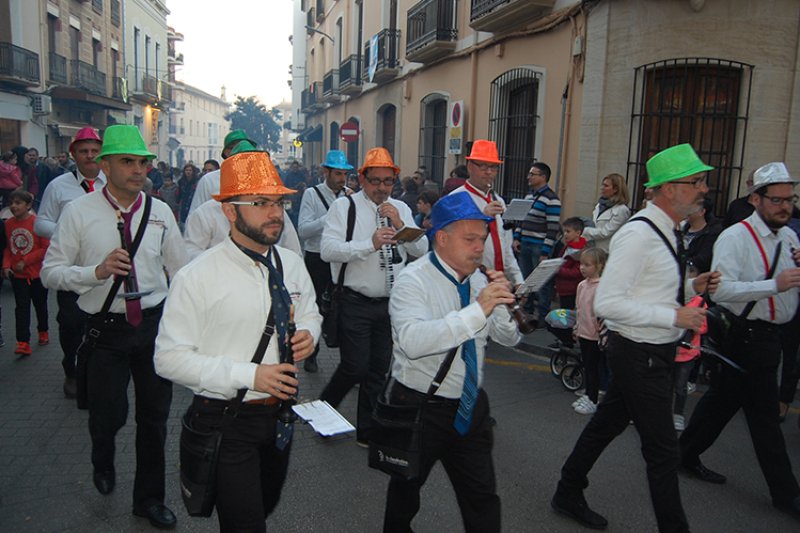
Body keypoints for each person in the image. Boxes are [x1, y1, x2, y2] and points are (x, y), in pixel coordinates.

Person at [551, 143, 719, 533]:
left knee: (605, 426)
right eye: (696, 181)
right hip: (638, 353)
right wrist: (674, 314)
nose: (704, 189)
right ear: (669, 189)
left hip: (651, 351)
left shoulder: (667, 230)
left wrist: (692, 283)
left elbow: (653, 286)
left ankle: (567, 490)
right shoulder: (638, 235)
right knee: (662, 452)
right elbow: (608, 302)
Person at [155, 149, 322, 532]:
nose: (275, 213)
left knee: (264, 505)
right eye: (260, 203)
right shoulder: (196, 277)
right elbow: (168, 359)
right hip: (226, 420)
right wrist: (249, 375)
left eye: (278, 202)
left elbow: (311, 311)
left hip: (280, 418)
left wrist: (309, 333)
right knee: (245, 523)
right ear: (230, 212)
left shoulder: (292, 265)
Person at [41, 125, 187, 529]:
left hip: (153, 326)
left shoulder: (159, 213)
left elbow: (181, 270)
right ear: (105, 165)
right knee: (108, 416)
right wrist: (96, 271)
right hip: (104, 329)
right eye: (127, 161)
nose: (138, 170)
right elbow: (50, 272)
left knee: (155, 418)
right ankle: (101, 457)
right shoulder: (79, 212)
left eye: (143, 162)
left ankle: (149, 499)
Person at [382, 191, 521, 532]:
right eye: (470, 239)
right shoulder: (412, 280)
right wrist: (478, 310)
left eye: (483, 238)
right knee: (405, 493)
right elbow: (413, 342)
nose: (479, 247)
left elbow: (509, 338)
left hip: (470, 405)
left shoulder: (478, 279)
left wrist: (502, 306)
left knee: (482, 497)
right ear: (441, 238)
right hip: (420, 405)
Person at [679, 161, 800, 520]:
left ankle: (683, 455)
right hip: (745, 336)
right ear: (755, 199)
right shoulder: (735, 237)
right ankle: (786, 493)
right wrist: (773, 286)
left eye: (789, 199)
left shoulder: (790, 237)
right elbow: (722, 290)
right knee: (764, 418)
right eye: (776, 199)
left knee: (722, 401)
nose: (784, 206)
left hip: (773, 335)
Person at [320, 147, 428, 445]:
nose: (382, 187)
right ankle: (324, 410)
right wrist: (368, 244)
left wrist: (401, 225)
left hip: (390, 304)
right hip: (355, 302)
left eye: (388, 181)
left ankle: (366, 432)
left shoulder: (401, 209)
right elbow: (328, 250)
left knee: (378, 371)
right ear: (362, 180)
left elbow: (422, 249)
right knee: (355, 367)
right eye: (376, 180)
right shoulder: (345, 208)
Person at [34, 126, 106, 398]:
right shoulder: (58, 186)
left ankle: (97, 372)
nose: (89, 156)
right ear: (73, 154)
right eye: (83, 151)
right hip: (70, 269)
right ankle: (72, 372)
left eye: (94, 151)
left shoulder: (112, 185)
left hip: (104, 270)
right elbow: (41, 222)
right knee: (70, 323)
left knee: (102, 324)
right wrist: (69, 235)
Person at [297, 149, 353, 373]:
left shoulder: (349, 195)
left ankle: (347, 359)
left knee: (342, 309)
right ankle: (312, 354)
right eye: (338, 174)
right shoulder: (311, 194)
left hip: (341, 258)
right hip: (317, 258)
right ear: (325, 172)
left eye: (344, 175)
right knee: (316, 308)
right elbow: (303, 230)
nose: (342, 179)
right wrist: (329, 217)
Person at [452, 140, 523, 288]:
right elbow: (452, 242)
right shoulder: (456, 199)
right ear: (470, 166)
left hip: (498, 280)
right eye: (483, 166)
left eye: (493, 167)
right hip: (468, 280)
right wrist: (482, 218)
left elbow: (505, 245)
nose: (489, 172)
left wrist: (517, 279)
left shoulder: (499, 201)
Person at [3, 189, 49, 356]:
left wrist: (26, 260)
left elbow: (45, 248)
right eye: (11, 203)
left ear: (28, 205)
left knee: (40, 305)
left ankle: (43, 330)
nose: (14, 206)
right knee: (21, 308)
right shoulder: (8, 224)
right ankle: (23, 341)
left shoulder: (38, 223)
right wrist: (6, 266)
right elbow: (8, 248)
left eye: (18, 203)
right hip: (18, 276)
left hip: (36, 274)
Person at [513, 161, 561, 319]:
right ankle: (527, 310)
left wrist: (545, 251)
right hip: (525, 242)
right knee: (526, 279)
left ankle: (543, 314)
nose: (529, 177)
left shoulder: (551, 199)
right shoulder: (528, 197)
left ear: (543, 177)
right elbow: (521, 219)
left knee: (541, 281)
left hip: (539, 245)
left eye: (532, 174)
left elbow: (553, 227)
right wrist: (516, 238)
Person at [571, 247, 608, 415]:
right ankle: (589, 394)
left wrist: (601, 335)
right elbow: (579, 309)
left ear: (599, 266)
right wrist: (576, 328)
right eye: (581, 264)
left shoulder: (602, 287)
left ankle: (593, 398)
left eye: (587, 265)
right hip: (583, 333)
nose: (582, 268)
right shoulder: (581, 286)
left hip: (596, 336)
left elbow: (601, 315)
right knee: (588, 366)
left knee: (594, 368)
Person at [188, 129, 256, 214]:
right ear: (227, 152)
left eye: (247, 150)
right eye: (237, 147)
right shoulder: (209, 180)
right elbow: (194, 215)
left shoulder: (260, 180)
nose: (242, 151)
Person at [581, 173, 631, 253]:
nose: (602, 188)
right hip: (593, 250)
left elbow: (605, 232)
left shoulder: (621, 210)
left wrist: (585, 231)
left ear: (615, 189)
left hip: (607, 252)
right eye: (602, 185)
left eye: (606, 186)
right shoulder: (599, 205)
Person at [553, 217, 587, 310]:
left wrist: (558, 269)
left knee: (567, 313)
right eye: (564, 231)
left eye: (568, 231)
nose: (565, 234)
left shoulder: (580, 251)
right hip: (562, 287)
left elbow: (577, 271)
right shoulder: (568, 246)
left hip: (571, 289)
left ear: (578, 233)